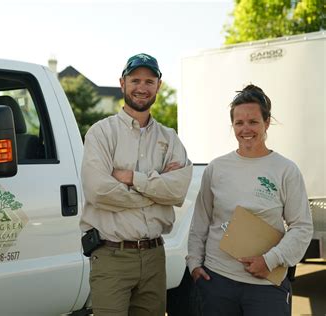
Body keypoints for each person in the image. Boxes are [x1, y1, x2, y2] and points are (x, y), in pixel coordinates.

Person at [80, 53, 193, 316]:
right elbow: (99, 191)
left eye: (149, 81)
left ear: (158, 86)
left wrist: (133, 178)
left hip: (155, 256)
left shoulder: (170, 138)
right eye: (135, 80)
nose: (142, 87)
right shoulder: (101, 133)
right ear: (122, 83)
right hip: (111, 257)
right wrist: (156, 191)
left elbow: (178, 189)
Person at [186, 84, 314, 316]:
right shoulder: (217, 168)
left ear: (267, 123)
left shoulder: (285, 170)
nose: (246, 129)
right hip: (217, 282)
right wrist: (194, 263)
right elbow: (200, 220)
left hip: (266, 285)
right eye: (239, 123)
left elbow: (302, 227)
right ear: (233, 125)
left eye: (253, 122)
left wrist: (269, 260)